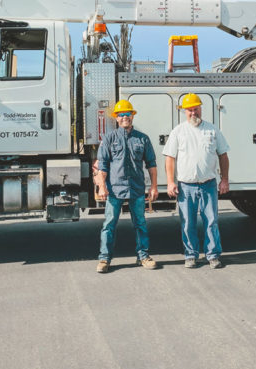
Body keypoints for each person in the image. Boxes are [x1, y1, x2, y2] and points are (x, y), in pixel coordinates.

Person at [164, 93, 230, 269]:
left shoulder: (212, 130)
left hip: (208, 184)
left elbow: (223, 155)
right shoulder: (178, 131)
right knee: (188, 223)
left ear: (201, 108)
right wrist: (170, 182)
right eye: (190, 110)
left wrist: (224, 179)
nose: (193, 113)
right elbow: (170, 158)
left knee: (211, 221)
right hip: (186, 186)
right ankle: (190, 255)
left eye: (196, 109)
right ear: (184, 112)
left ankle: (213, 255)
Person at [94, 100, 159, 273]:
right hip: (114, 189)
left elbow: (151, 164)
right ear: (116, 118)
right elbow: (103, 165)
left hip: (136, 188)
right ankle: (104, 259)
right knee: (109, 225)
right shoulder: (109, 138)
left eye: (128, 114)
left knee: (140, 224)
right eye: (121, 114)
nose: (125, 117)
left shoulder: (142, 139)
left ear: (132, 116)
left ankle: (143, 256)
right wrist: (102, 186)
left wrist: (153, 186)